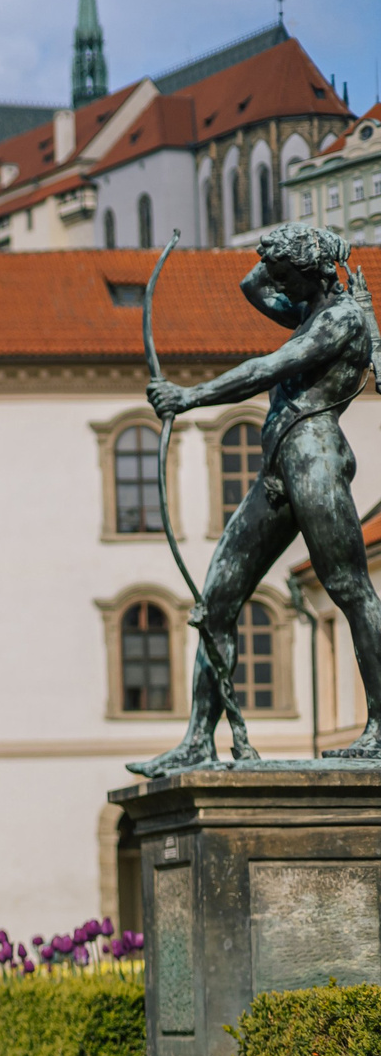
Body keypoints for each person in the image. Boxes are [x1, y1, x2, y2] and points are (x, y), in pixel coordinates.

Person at [135, 223, 381, 772]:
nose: (277, 283)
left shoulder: (341, 320)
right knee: (217, 597)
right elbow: (250, 286)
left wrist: (188, 396)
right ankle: (199, 739)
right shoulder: (308, 311)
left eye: (286, 274)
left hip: (315, 460)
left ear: (310, 272)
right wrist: (278, 253)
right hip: (279, 465)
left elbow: (264, 369)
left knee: (349, 590)